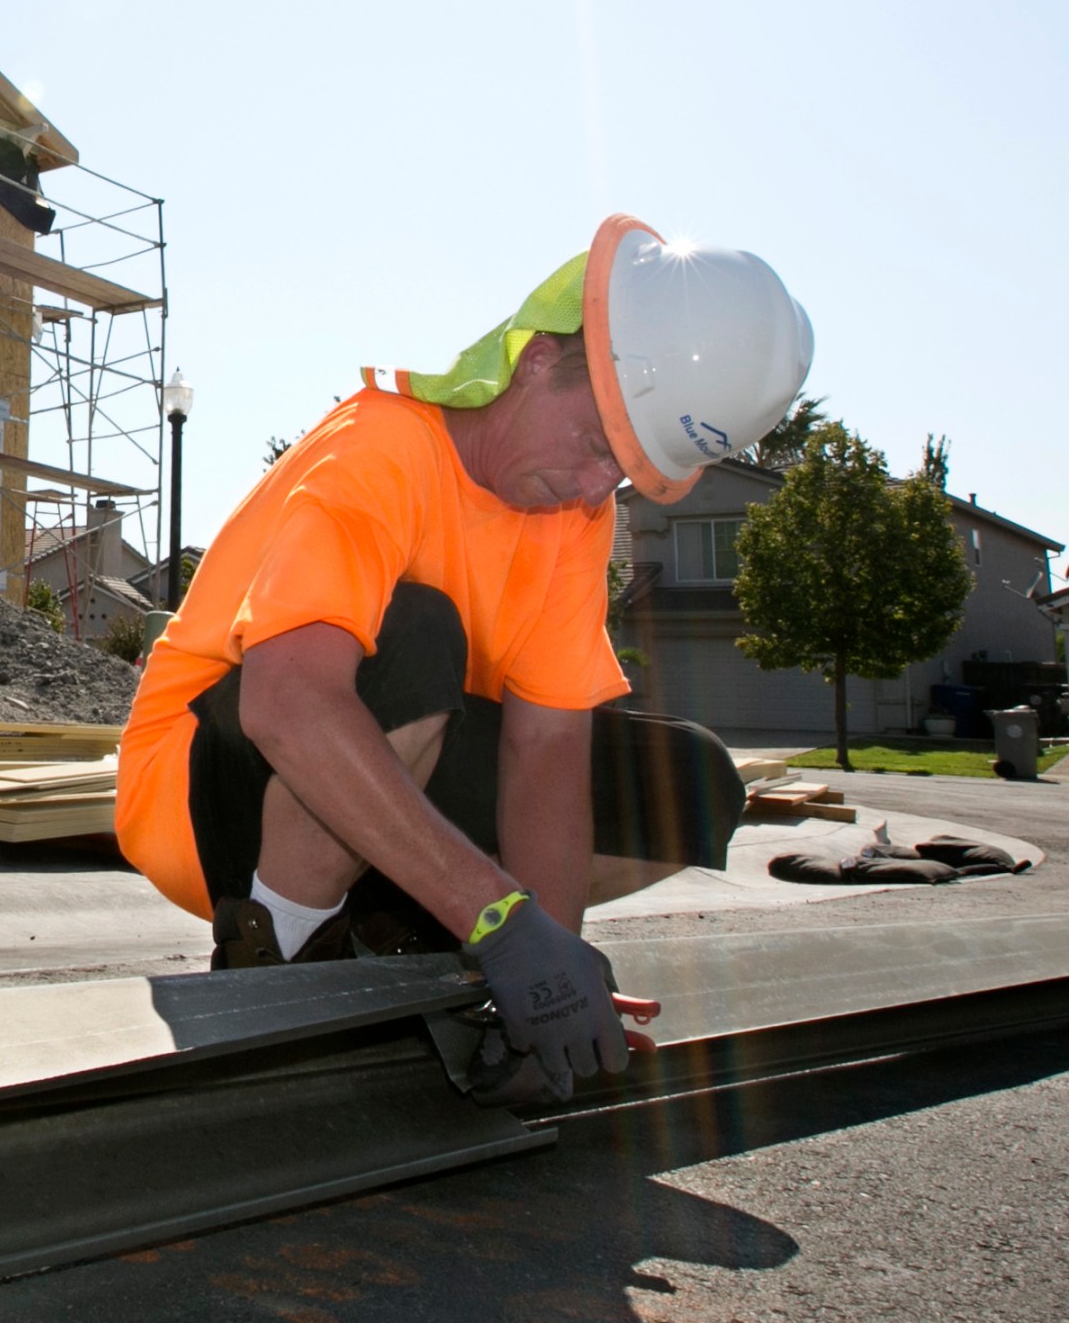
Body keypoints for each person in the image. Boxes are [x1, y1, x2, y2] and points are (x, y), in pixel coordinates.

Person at [115, 215, 813, 1099]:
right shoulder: (382, 447)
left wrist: (545, 973)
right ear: (536, 365)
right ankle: (278, 963)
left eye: (627, 474)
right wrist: (503, 922)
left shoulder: (573, 518)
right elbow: (288, 704)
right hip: (205, 789)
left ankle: (424, 952)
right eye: (599, 444)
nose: (602, 486)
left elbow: (547, 750)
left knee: (695, 781)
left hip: (392, 776)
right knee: (417, 632)